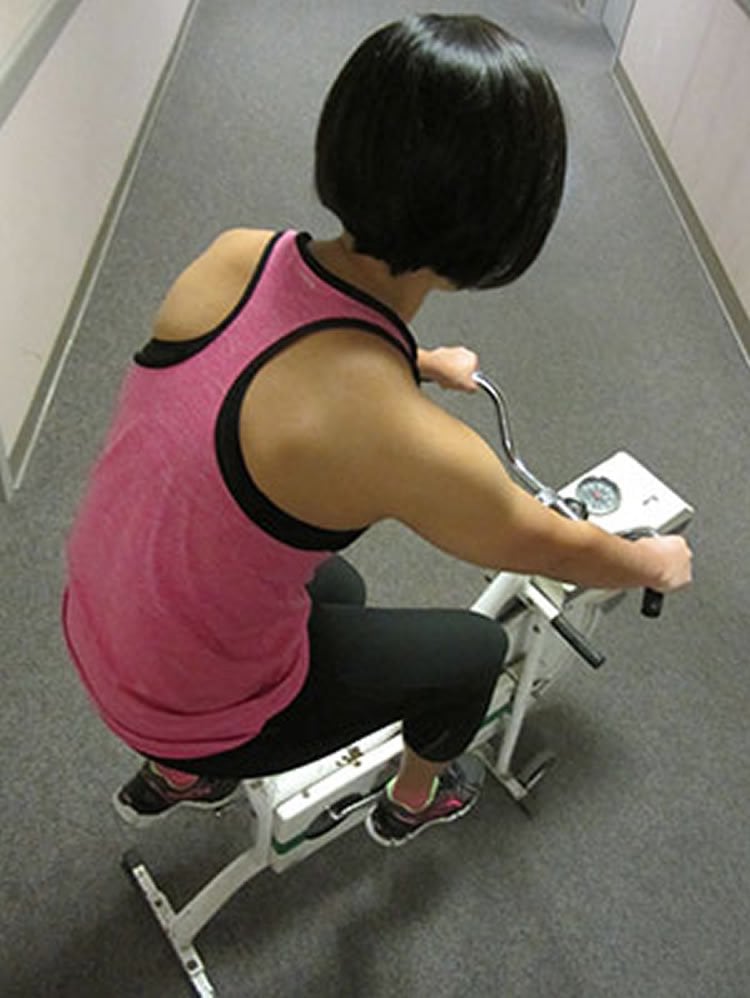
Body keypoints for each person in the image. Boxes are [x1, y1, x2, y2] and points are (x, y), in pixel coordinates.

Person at [62, 13, 692, 848]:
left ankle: (175, 771)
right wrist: (651, 560)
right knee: (469, 653)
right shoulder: (400, 441)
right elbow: (542, 543)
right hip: (188, 704)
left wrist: (421, 361)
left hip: (98, 621)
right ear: (502, 220)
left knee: (339, 588)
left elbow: (292, 354)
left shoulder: (238, 256)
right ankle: (412, 801)